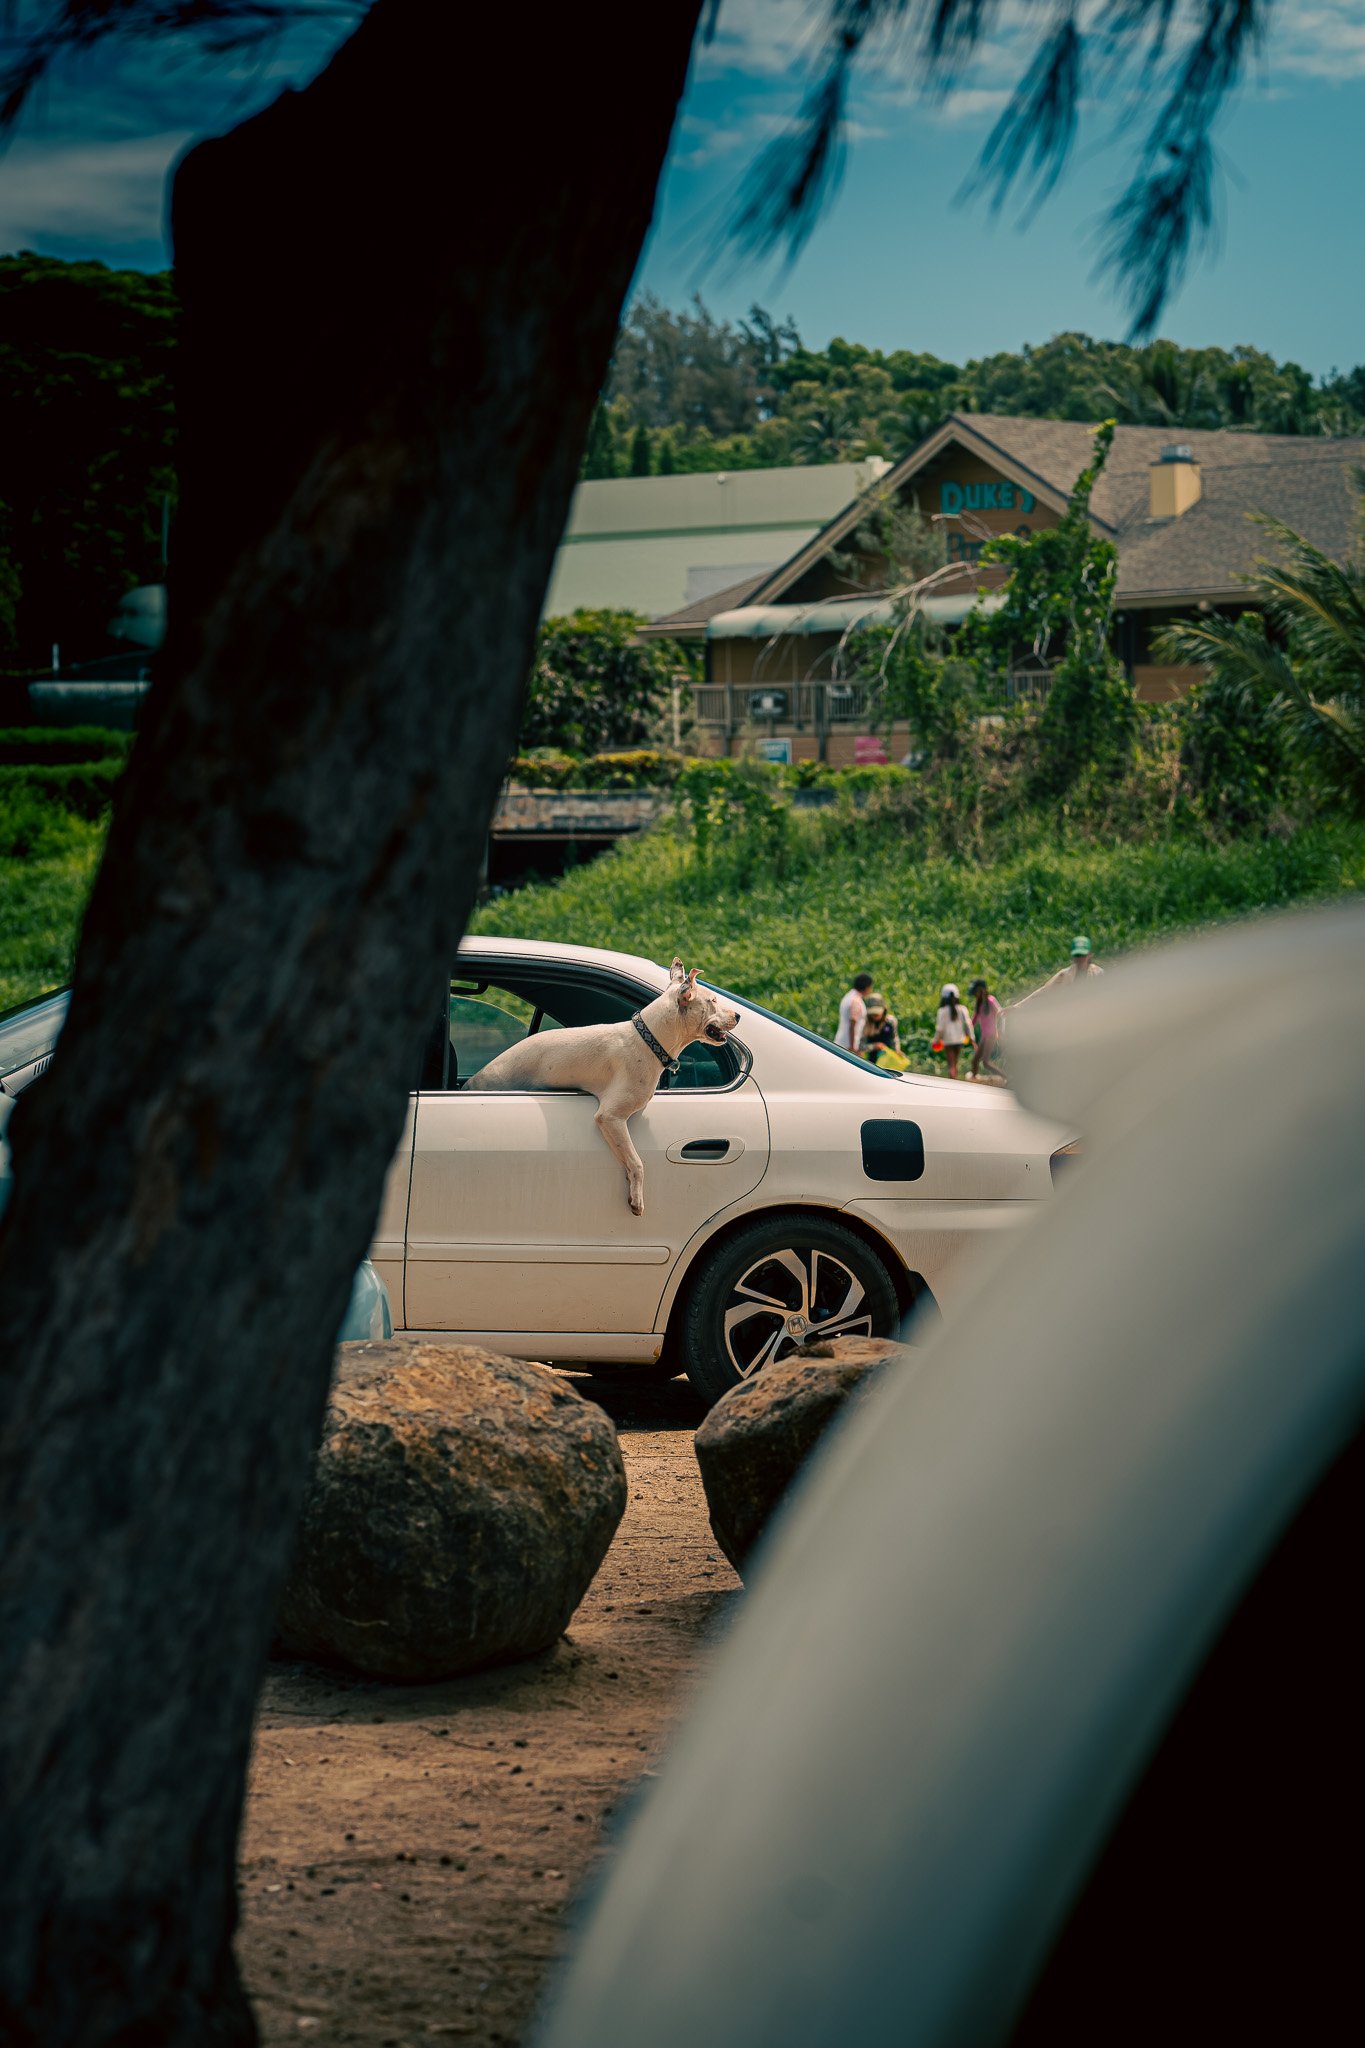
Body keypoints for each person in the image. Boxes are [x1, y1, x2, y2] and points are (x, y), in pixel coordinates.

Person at [1013, 935, 1105, 1008]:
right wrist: (1017, 1007)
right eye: (1077, 955)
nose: (1080, 959)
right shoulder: (1065, 975)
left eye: (1082, 955)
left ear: (1089, 955)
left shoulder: (1098, 974)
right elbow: (1044, 991)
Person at [932, 982, 974, 1080]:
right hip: (960, 1040)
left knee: (951, 1065)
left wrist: (935, 1040)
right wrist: (972, 1038)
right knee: (955, 1063)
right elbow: (968, 1024)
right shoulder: (962, 1009)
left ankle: (952, 1082)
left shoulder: (942, 1011)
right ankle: (955, 1081)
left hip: (948, 1040)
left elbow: (940, 1029)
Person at [968, 978, 1005, 1081]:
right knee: (975, 1061)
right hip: (984, 1036)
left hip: (992, 1035)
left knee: (986, 1062)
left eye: (976, 992)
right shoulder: (979, 1003)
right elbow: (973, 1021)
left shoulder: (991, 1000)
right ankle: (974, 1079)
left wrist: (1000, 1030)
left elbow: (1001, 1014)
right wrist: (967, 1031)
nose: (975, 995)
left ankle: (1006, 1078)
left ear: (981, 990)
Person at [836, 972, 875, 1054]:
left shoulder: (848, 996)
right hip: (848, 1046)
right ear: (866, 987)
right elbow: (852, 1025)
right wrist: (853, 1048)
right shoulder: (856, 1001)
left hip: (841, 1042)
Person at [861, 993, 902, 1065]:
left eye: (877, 1014)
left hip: (887, 1059)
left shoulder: (891, 1022)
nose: (875, 1016)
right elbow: (860, 1046)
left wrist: (897, 1050)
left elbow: (894, 1038)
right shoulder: (865, 1024)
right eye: (872, 1014)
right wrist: (874, 1046)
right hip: (870, 1061)